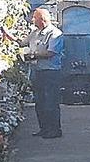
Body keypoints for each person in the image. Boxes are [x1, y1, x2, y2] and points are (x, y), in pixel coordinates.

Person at [23, 8, 65, 138]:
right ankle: (44, 128)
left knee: (51, 101)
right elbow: (22, 42)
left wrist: (33, 55)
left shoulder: (55, 33)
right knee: (40, 101)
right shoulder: (35, 33)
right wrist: (6, 33)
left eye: (35, 18)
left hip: (51, 72)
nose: (32, 20)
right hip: (38, 71)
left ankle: (55, 130)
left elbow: (50, 53)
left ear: (42, 20)